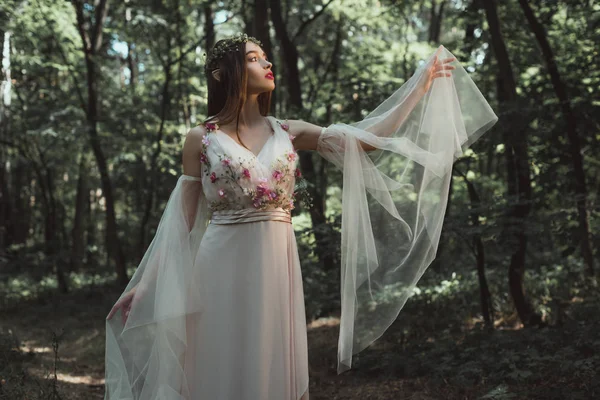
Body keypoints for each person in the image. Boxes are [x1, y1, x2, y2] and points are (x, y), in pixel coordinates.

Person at [104, 33, 497, 399]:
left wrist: (419, 87)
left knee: (271, 358)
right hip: (218, 266)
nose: (267, 63)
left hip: (276, 268)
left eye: (265, 57)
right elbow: (182, 219)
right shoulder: (200, 138)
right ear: (225, 75)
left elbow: (368, 141)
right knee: (218, 358)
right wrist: (147, 284)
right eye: (254, 59)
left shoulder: (288, 132)